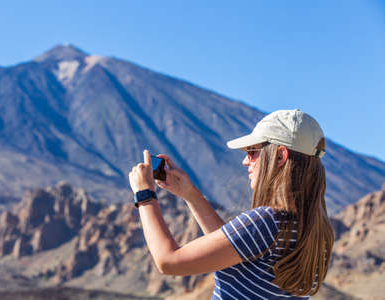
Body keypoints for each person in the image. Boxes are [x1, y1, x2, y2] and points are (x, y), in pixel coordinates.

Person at [128, 109, 334, 299]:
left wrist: (145, 195)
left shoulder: (267, 221)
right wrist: (190, 195)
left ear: (280, 156)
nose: (246, 161)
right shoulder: (313, 231)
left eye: (252, 152)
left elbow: (168, 262)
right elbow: (233, 249)